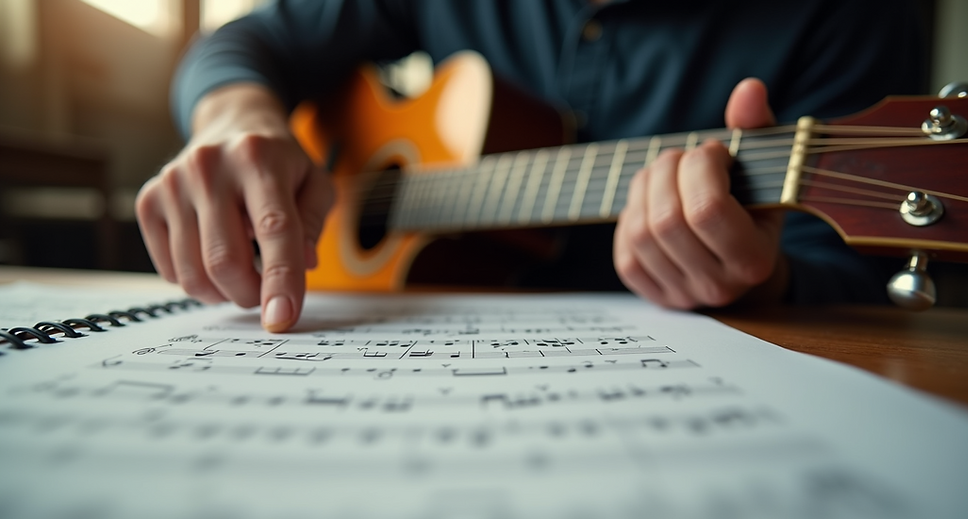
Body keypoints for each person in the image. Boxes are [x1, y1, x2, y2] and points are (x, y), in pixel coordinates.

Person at [135, 0, 928, 332]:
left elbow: (859, 282)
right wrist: (236, 116)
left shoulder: (846, 15)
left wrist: (759, 279)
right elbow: (243, 42)